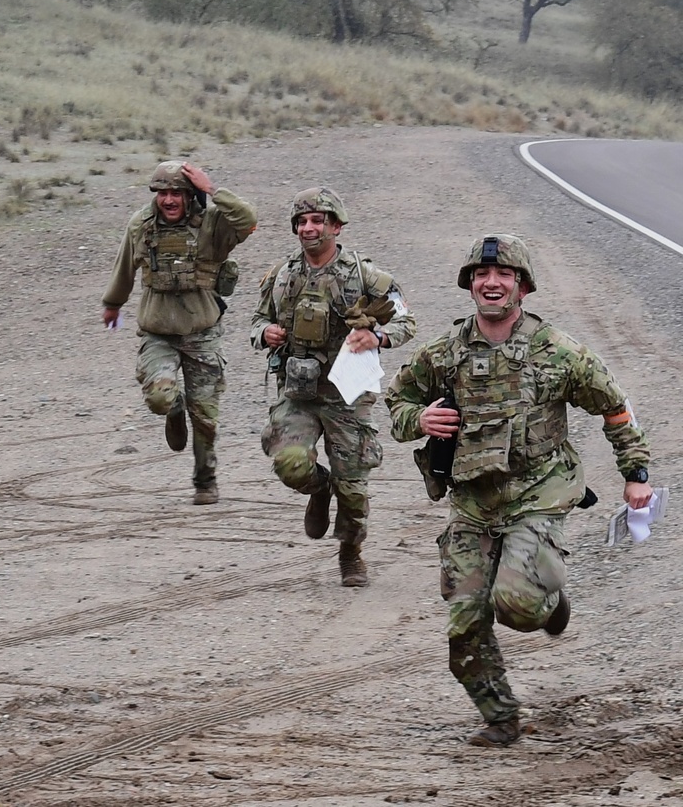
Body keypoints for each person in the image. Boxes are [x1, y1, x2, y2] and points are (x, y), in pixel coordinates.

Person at [385, 234, 653, 747]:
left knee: (518, 606)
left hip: (540, 491)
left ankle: (550, 605)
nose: (491, 283)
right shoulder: (444, 353)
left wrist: (635, 474)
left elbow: (616, 409)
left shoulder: (557, 351)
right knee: (463, 626)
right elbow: (397, 403)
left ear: (523, 287)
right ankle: (500, 717)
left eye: (503, 275)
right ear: (470, 285)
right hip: (472, 499)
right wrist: (418, 418)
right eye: (482, 276)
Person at [251, 187, 416, 586]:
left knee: (354, 488)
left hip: (348, 394)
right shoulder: (281, 275)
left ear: (336, 226)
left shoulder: (365, 276)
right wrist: (266, 333)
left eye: (318, 221)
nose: (309, 228)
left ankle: (351, 551)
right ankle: (319, 488)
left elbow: (406, 322)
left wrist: (378, 338)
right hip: (298, 393)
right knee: (290, 464)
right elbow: (256, 322)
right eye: (302, 222)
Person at [102, 160, 257, 505]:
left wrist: (212, 189)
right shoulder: (141, 225)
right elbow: (125, 266)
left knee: (205, 419)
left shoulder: (213, 225)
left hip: (202, 333)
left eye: (177, 193)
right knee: (160, 397)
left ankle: (205, 482)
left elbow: (248, 219)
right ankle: (174, 408)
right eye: (162, 193)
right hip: (158, 332)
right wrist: (112, 304)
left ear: (191, 196)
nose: (169, 200)